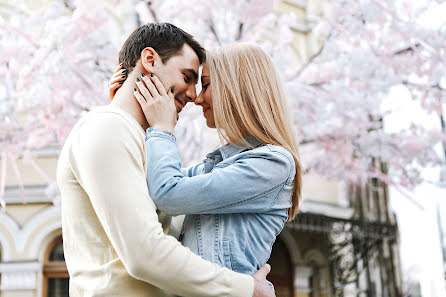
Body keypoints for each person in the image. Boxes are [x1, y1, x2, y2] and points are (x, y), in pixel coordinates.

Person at [57, 23, 275, 297]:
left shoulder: (127, 134)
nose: (194, 95)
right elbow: (145, 252)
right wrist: (245, 289)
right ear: (149, 60)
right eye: (187, 76)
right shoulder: (107, 129)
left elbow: (172, 230)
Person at [119, 43, 303, 291]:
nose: (196, 97)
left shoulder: (273, 163)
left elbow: (168, 194)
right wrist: (129, 112)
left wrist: (162, 129)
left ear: (236, 88)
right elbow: (148, 187)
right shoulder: (217, 165)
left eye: (205, 85)